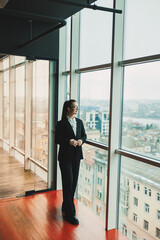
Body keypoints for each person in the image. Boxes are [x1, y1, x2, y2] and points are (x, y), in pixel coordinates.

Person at [55, 99, 87, 225]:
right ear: (68, 108)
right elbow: (57, 139)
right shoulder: (61, 123)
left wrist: (81, 141)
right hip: (65, 157)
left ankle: (66, 204)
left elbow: (84, 136)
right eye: (75, 107)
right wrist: (69, 141)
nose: (77, 109)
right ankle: (70, 212)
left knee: (73, 183)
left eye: (78, 107)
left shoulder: (79, 122)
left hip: (76, 156)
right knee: (67, 182)